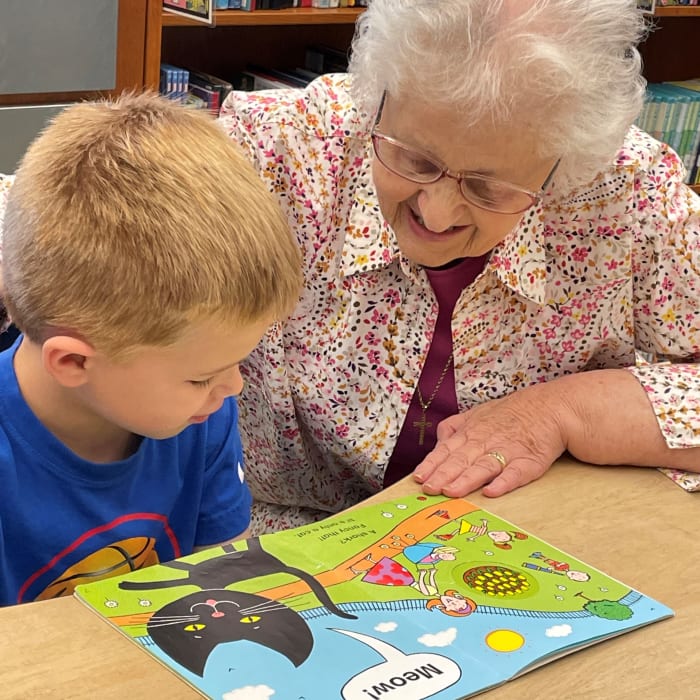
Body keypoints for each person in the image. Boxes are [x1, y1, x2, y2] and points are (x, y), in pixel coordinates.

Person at [214, 0, 700, 534]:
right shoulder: (275, 150)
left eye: (488, 186)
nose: (436, 211)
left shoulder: (630, 193)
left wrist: (562, 411)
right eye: (415, 159)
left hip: (524, 546)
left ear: (565, 164)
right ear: (377, 98)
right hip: (272, 542)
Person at [0, 92, 301, 606]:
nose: (233, 388)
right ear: (73, 361)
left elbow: (220, 576)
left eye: (235, 364)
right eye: (202, 377)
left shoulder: (199, 417)